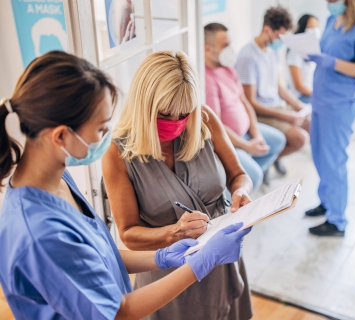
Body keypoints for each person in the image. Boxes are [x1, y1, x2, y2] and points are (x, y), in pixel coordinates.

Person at [0, 51, 251, 320]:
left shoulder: (58, 179)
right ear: (61, 135)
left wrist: (161, 257)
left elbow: (100, 255)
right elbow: (118, 313)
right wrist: (201, 262)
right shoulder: (39, 233)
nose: (107, 137)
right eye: (100, 129)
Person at [102, 51, 254, 320]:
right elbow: (127, 233)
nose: (175, 123)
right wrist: (174, 233)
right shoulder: (117, 154)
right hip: (167, 274)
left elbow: (238, 175)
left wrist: (241, 191)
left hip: (221, 258)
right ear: (143, 105)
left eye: (183, 113)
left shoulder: (204, 120)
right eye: (164, 114)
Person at [305, 0, 355, 236]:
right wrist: (315, 56)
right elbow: (324, 51)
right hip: (320, 98)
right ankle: (326, 202)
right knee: (319, 155)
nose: (329, 3)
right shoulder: (331, 20)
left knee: (334, 160)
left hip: (339, 103)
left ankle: (337, 221)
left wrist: (332, 62)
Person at [204, 22, 286, 189]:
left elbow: (245, 103)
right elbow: (216, 126)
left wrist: (257, 135)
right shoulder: (206, 79)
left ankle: (244, 185)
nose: (230, 49)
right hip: (231, 141)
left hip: (247, 133)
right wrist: (247, 146)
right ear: (207, 49)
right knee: (254, 176)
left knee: (278, 141)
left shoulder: (228, 69)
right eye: (225, 45)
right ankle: (244, 187)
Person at [235, 6, 310, 176]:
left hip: (276, 106)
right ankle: (267, 160)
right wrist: (285, 116)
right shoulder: (248, 57)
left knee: (310, 120)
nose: (281, 41)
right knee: (300, 139)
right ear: (267, 30)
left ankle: (273, 158)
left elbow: (279, 87)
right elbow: (250, 102)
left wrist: (298, 106)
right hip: (260, 111)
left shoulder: (273, 52)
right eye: (279, 36)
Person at [287, 14, 320, 104]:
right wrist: (317, 95)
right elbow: (299, 86)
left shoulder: (313, 52)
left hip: (309, 94)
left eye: (316, 26)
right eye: (310, 26)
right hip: (300, 97)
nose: (314, 29)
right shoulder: (295, 52)